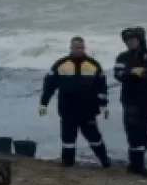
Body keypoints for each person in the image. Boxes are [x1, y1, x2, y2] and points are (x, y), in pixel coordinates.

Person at [39, 37, 111, 169]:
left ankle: (105, 161)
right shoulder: (61, 64)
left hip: (88, 110)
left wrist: (104, 106)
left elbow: (102, 88)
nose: (80, 50)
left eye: (82, 48)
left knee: (95, 138)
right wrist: (43, 103)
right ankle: (68, 164)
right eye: (77, 48)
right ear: (71, 48)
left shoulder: (94, 65)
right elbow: (49, 86)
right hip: (68, 110)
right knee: (68, 140)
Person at [114, 27, 147, 177]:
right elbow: (117, 74)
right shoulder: (123, 57)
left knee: (145, 131)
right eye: (127, 40)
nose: (130, 42)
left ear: (140, 40)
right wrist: (131, 72)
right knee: (133, 131)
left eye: (133, 39)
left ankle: (135, 163)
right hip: (130, 99)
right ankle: (137, 166)